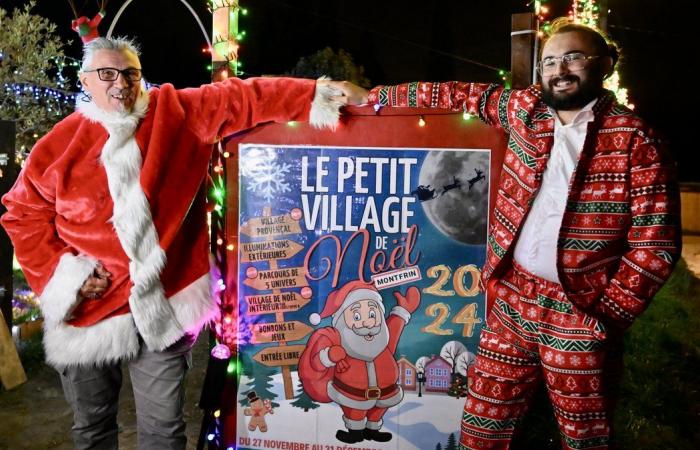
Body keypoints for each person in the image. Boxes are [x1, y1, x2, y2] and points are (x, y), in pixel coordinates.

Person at [337, 17, 681, 450]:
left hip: (579, 310)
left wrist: (606, 316)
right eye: (551, 61)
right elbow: (454, 94)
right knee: (483, 427)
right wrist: (374, 97)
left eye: (573, 57)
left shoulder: (637, 141)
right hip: (513, 301)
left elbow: (655, 247)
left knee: (584, 437)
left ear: (605, 64)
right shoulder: (525, 110)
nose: (560, 69)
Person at [0, 36, 348, 449]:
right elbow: (22, 214)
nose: (121, 84)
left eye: (130, 73)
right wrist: (66, 276)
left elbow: (244, 97)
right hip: (87, 314)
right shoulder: (57, 144)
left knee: (164, 433)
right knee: (92, 430)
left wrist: (321, 93)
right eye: (107, 74)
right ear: (85, 81)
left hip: (165, 304)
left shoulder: (175, 113)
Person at [298, 280, 420, 444]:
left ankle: (373, 428)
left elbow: (393, 330)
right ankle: (355, 431)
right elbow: (315, 364)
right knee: (355, 410)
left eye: (372, 314)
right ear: (342, 320)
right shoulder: (337, 340)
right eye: (357, 316)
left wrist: (402, 312)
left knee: (379, 409)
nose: (367, 323)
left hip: (386, 392)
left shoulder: (381, 340)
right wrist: (329, 356)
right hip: (352, 393)